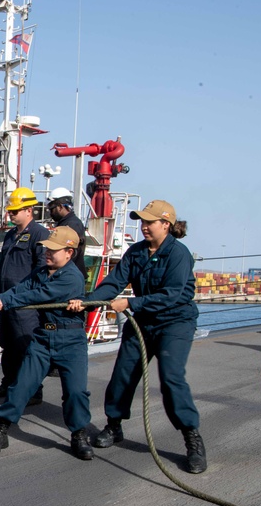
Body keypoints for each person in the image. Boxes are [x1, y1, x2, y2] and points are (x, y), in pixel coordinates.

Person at [68, 199, 207, 473]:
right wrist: (88, 301)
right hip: (142, 321)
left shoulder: (178, 254)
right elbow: (114, 282)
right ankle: (114, 425)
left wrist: (131, 304)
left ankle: (192, 439)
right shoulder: (136, 252)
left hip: (174, 322)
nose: (143, 226)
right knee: (123, 373)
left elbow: (172, 294)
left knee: (171, 378)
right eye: (142, 221)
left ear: (165, 225)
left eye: (149, 222)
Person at [0, 226, 92, 460]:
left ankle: (79, 434)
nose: (47, 253)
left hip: (70, 340)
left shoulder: (72, 278)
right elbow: (20, 289)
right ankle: (1, 430)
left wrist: (5, 303)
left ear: (69, 252)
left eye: (53, 250)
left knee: (76, 392)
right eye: (47, 248)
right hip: (44, 337)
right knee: (21, 386)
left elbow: (36, 296)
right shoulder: (41, 272)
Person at [0, 187, 50, 404]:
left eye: (15, 211)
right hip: (5, 301)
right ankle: (9, 382)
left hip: (25, 304)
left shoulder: (40, 234)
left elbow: (41, 270)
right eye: (10, 211)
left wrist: (25, 295)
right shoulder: (11, 235)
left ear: (29, 210)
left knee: (26, 347)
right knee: (9, 345)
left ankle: (34, 389)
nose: (10, 214)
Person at [47, 187, 87, 279]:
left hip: (68, 277)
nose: (50, 213)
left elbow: (67, 252)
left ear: (60, 207)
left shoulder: (71, 225)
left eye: (52, 209)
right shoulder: (68, 223)